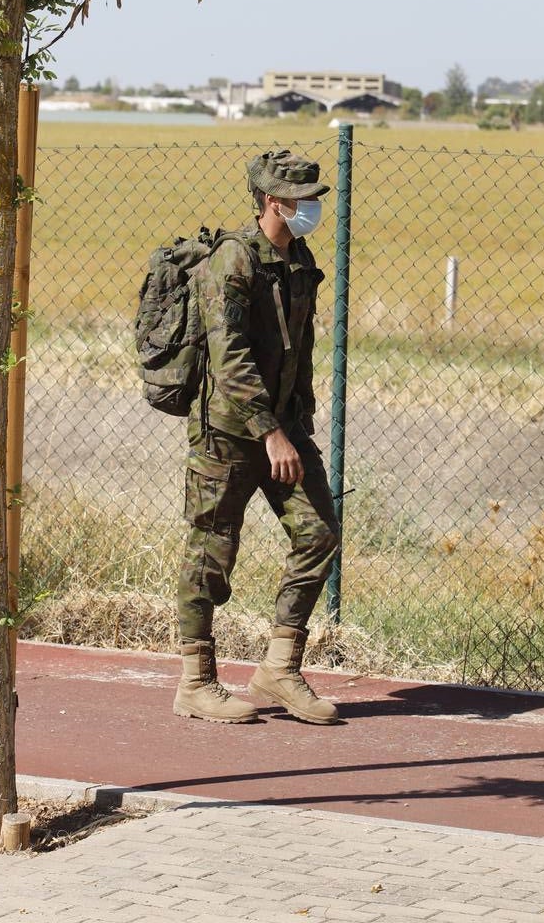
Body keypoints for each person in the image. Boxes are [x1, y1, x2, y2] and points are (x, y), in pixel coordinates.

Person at [174, 150, 341, 725]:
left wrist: (296, 419)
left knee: (318, 534)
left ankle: (278, 670)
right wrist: (269, 432)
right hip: (228, 433)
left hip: (283, 430)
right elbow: (229, 356)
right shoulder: (233, 261)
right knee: (210, 552)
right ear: (275, 203)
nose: (316, 208)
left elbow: (302, 347)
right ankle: (196, 683)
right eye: (306, 200)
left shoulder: (298, 258)